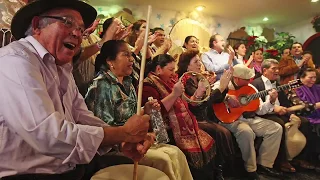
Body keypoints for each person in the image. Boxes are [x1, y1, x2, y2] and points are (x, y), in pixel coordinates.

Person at [0, 0, 153, 179]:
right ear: (36, 26)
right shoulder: (15, 60)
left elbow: (82, 116)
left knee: (147, 170)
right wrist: (123, 133)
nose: (77, 33)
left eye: (81, 29)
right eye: (67, 22)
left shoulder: (62, 68)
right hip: (29, 175)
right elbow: (47, 133)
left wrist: (123, 141)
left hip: (70, 168)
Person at [142, 54, 216, 180]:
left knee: (213, 139)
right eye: (170, 70)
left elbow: (188, 103)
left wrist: (200, 90)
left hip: (186, 125)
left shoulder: (171, 82)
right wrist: (174, 94)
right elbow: (156, 114)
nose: (173, 73)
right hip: (164, 131)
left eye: (174, 69)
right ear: (159, 69)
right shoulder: (148, 86)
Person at [214, 64, 283, 180]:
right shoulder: (223, 84)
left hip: (249, 119)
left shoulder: (251, 88)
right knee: (246, 132)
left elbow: (260, 110)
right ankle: (251, 169)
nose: (249, 81)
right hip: (228, 120)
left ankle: (265, 164)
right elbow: (212, 93)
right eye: (246, 79)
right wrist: (226, 97)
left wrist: (271, 101)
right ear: (236, 78)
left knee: (276, 128)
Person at [176, 49, 235, 180]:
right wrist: (219, 88)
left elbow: (216, 99)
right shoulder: (184, 81)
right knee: (221, 132)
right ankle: (219, 171)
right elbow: (199, 105)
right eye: (196, 61)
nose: (199, 64)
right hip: (193, 119)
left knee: (223, 132)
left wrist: (223, 87)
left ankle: (221, 170)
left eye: (199, 61)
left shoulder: (199, 78)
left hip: (205, 117)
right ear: (187, 65)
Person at [251, 59, 312, 173]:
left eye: (278, 68)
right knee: (279, 124)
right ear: (264, 70)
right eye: (274, 69)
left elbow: (285, 103)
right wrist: (274, 108)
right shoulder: (256, 84)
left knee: (304, 122)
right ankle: (281, 161)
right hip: (265, 114)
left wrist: (291, 114)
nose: (277, 71)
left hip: (281, 112)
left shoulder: (277, 84)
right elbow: (255, 106)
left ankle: (298, 158)